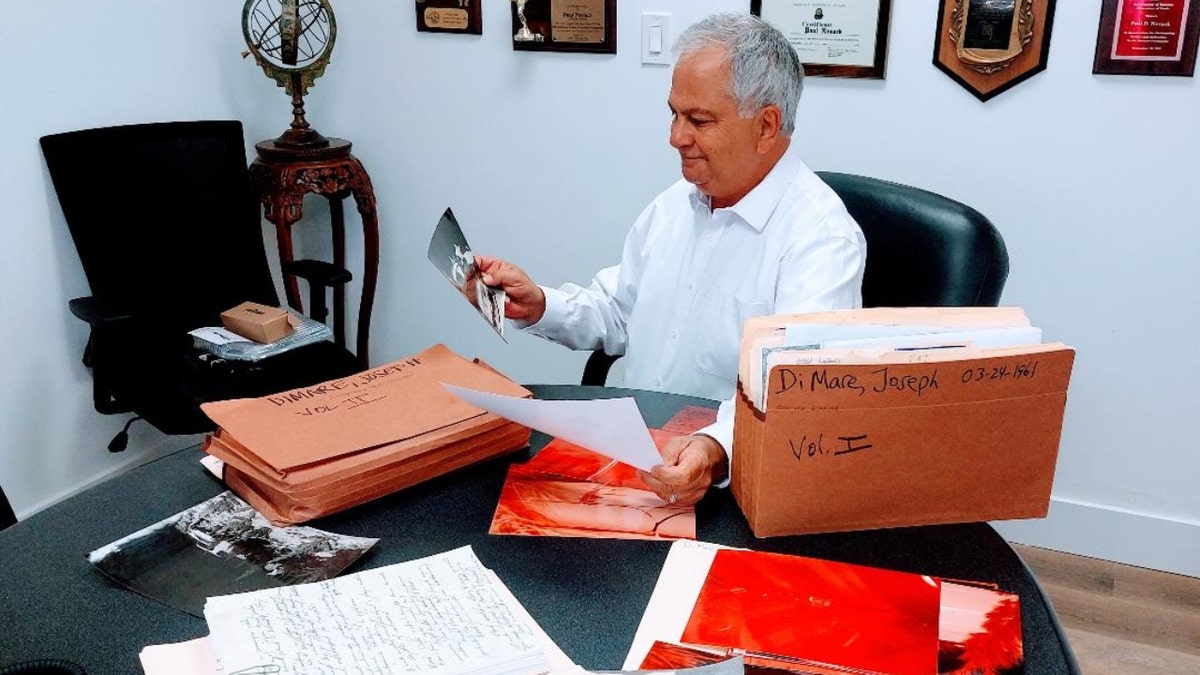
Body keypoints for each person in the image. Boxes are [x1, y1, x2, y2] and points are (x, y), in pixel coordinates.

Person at [476, 12, 866, 507]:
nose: (676, 137)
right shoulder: (674, 205)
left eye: (699, 120)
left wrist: (713, 448)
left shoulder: (820, 240)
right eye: (674, 114)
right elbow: (619, 313)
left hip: (733, 488)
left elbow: (796, 399)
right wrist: (540, 305)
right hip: (638, 461)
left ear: (766, 126)